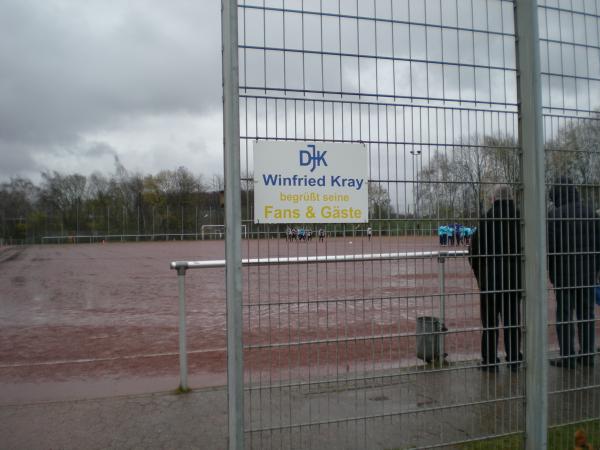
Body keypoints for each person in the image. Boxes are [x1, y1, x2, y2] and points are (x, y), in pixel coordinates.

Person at [547, 177, 600, 368]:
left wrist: (553, 275)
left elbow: (550, 251)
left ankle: (568, 357)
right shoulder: (592, 214)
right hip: (587, 276)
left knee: (565, 317)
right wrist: (595, 271)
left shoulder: (554, 216)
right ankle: (587, 355)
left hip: (564, 276)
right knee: (586, 315)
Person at [469, 185, 522, 372]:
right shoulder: (520, 219)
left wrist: (480, 276)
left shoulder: (485, 220)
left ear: (494, 199)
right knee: (512, 323)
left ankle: (490, 362)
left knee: (490, 324)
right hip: (513, 282)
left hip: (489, 282)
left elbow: (473, 252)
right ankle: (514, 359)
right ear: (511, 198)